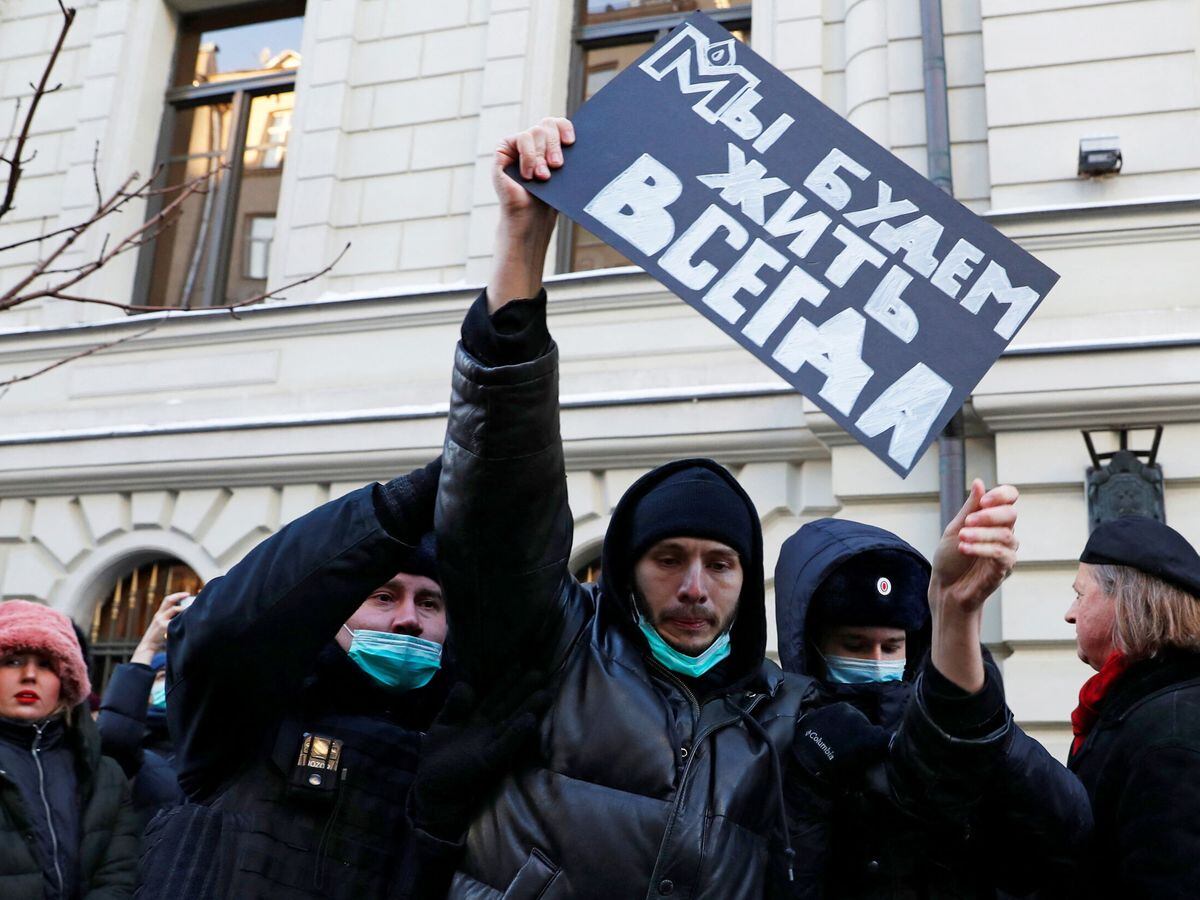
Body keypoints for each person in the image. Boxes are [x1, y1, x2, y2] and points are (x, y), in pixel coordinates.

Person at [428, 116, 1037, 899]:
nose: (694, 587)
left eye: (720, 563)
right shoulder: (553, 657)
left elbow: (933, 793)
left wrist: (952, 613)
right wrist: (521, 247)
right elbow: (501, 497)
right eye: (668, 558)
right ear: (622, 567)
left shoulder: (792, 716)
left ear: (748, 580)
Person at [139, 460, 451, 899]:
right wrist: (395, 509)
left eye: (430, 603)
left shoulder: (461, 741)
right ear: (332, 610)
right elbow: (220, 631)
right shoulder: (251, 715)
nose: (408, 620)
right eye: (383, 596)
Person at [775, 512, 1092, 897]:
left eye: (891, 646)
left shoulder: (940, 717)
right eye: (854, 646)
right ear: (811, 645)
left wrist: (978, 717)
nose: (877, 661)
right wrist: (810, 779)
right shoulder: (780, 730)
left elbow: (1066, 827)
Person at [1063, 515, 1200, 897]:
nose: (1069, 613)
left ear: (1124, 602)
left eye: (1079, 594)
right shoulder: (1140, 707)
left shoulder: (1169, 736)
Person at [0, 599, 139, 898]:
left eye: (47, 664)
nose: (29, 675)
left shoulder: (104, 775)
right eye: (12, 660)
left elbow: (119, 875)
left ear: (67, 682)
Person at [96, 593, 186, 831]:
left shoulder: (207, 747)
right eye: (163, 676)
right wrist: (148, 645)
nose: (169, 685)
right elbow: (114, 737)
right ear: (144, 688)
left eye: (177, 677)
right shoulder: (136, 751)